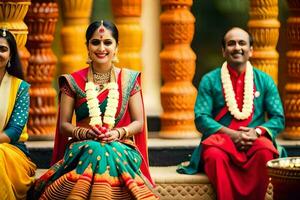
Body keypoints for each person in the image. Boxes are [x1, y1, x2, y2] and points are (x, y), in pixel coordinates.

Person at [33, 20, 158, 200]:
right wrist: (86, 133)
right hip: (82, 145)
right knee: (96, 149)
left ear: (116, 47)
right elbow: (64, 125)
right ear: (87, 46)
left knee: (105, 150)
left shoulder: (129, 79)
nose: (101, 48)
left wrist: (117, 133)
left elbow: (139, 123)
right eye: (95, 42)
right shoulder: (73, 81)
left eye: (108, 42)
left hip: (121, 145)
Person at [177, 27, 286, 200]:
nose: (237, 47)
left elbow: (278, 118)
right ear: (223, 51)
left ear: (251, 50)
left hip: (254, 141)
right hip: (222, 141)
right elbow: (201, 118)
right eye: (231, 43)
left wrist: (256, 132)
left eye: (242, 43)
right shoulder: (210, 80)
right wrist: (232, 135)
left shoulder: (265, 80)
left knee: (265, 152)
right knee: (213, 155)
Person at [0, 28, 37, 199]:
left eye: (3, 49)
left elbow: (15, 130)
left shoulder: (20, 88)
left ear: (11, 55)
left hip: (13, 151)